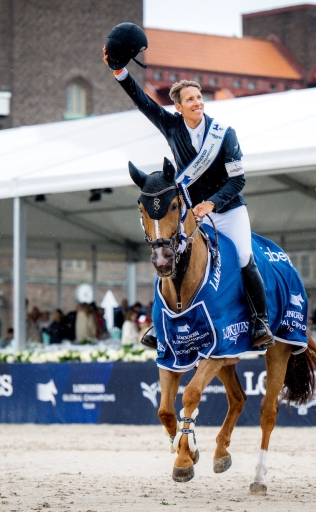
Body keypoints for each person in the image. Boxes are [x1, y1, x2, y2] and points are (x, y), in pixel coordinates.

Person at [103, 43, 274, 350]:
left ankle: (259, 321)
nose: (198, 103)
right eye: (191, 99)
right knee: (166, 255)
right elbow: (143, 102)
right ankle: (161, 323)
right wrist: (120, 71)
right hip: (192, 214)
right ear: (178, 107)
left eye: (199, 97)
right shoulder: (170, 126)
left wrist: (212, 202)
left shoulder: (225, 133)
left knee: (246, 258)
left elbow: (239, 180)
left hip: (229, 210)